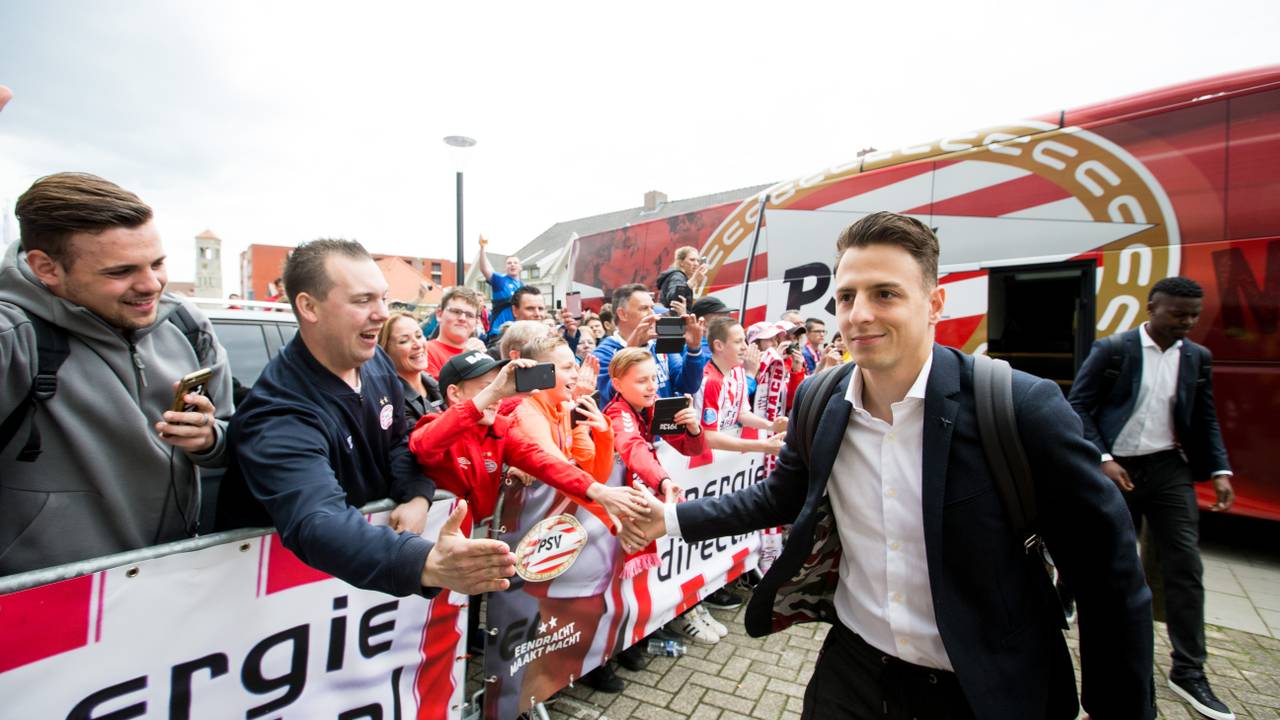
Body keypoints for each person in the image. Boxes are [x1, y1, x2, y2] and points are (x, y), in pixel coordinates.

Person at [624, 211, 1155, 720]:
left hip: (985, 684)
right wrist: (669, 520)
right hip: (855, 673)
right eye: (847, 296)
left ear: (934, 303)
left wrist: (1119, 708)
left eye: (885, 294)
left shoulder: (1019, 406)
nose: (859, 314)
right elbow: (779, 498)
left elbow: (1107, 573)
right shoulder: (818, 401)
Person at [216, 239, 515, 598]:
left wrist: (416, 495)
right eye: (363, 300)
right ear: (309, 307)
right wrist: (423, 563)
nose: (382, 314)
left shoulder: (375, 363)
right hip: (276, 595)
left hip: (362, 592)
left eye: (383, 298)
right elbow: (318, 521)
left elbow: (398, 442)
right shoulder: (278, 412)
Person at [0, 172, 233, 575]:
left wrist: (210, 439)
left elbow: (236, 434)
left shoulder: (187, 324)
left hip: (170, 576)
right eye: (120, 272)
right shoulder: (12, 337)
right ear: (46, 268)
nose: (151, 285)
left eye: (157, 263)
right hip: (47, 597)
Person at [1067, 276, 1235, 720]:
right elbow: (1078, 405)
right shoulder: (1113, 350)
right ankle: (1069, 599)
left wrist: (1220, 469)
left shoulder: (1197, 358)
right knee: (1105, 562)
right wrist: (1103, 458)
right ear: (1152, 308)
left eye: (1194, 315)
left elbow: (1205, 417)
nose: (1187, 322)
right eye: (1178, 313)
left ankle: (1189, 671)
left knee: (1185, 565)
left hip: (1167, 469)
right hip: (1116, 466)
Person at [603, 348, 725, 648]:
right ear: (617, 384)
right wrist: (663, 480)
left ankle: (642, 631)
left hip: (635, 504)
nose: (651, 387)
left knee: (639, 579)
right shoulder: (618, 412)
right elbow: (633, 447)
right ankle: (618, 644)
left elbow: (692, 449)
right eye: (641, 381)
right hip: (611, 512)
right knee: (614, 581)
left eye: (653, 379)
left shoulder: (656, 405)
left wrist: (694, 427)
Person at [592, 283, 705, 404]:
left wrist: (694, 349)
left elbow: (688, 386)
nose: (653, 314)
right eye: (644, 308)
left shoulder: (658, 344)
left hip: (664, 416)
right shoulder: (603, 353)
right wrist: (631, 350)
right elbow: (610, 397)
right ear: (622, 314)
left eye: (652, 308)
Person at [696, 317, 787, 455]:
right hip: (704, 457)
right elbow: (708, 437)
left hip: (723, 454)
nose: (745, 346)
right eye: (738, 342)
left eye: (744, 340)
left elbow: (740, 413)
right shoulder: (710, 381)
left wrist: (771, 425)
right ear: (719, 345)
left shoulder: (738, 371)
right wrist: (764, 446)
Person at [378, 311, 444, 424]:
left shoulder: (434, 383)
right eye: (404, 341)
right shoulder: (390, 401)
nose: (418, 345)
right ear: (385, 351)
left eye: (419, 336)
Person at [425, 286, 483, 378]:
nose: (462, 318)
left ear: (476, 322)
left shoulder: (481, 354)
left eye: (469, 315)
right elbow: (435, 387)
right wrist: (464, 359)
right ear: (439, 315)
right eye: (456, 312)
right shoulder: (424, 351)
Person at [476, 236, 523, 338]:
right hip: (499, 332)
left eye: (515, 263)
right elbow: (485, 269)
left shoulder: (523, 287)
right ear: (505, 267)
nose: (512, 265)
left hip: (517, 333)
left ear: (520, 267)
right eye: (509, 263)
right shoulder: (501, 280)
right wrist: (482, 248)